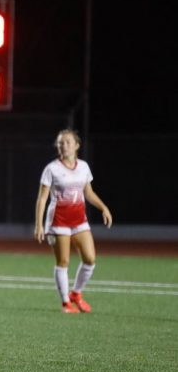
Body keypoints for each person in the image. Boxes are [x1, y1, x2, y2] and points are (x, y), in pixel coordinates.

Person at [34, 129, 112, 313]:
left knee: (90, 259)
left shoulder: (83, 166)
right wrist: (39, 224)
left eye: (68, 142)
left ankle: (76, 293)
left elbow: (89, 193)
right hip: (58, 222)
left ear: (77, 145)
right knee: (63, 262)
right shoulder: (51, 168)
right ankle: (65, 303)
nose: (64, 145)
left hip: (79, 220)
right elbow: (42, 198)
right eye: (61, 142)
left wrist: (104, 207)